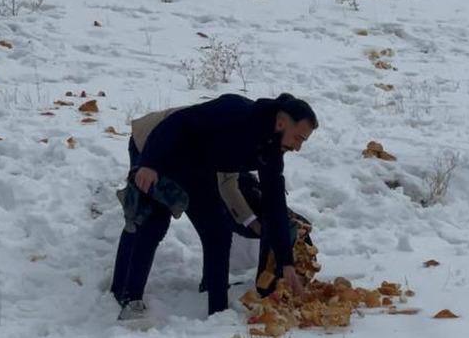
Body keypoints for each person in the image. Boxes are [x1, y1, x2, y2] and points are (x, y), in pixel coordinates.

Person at [110, 93, 318, 319]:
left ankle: (218, 309)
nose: (298, 147)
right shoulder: (236, 111)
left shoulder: (271, 150)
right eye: (298, 138)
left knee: (217, 230)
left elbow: (274, 204)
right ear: (281, 123)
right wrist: (149, 163)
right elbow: (177, 122)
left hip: (197, 163)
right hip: (157, 145)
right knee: (151, 221)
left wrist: (286, 262)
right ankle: (127, 298)